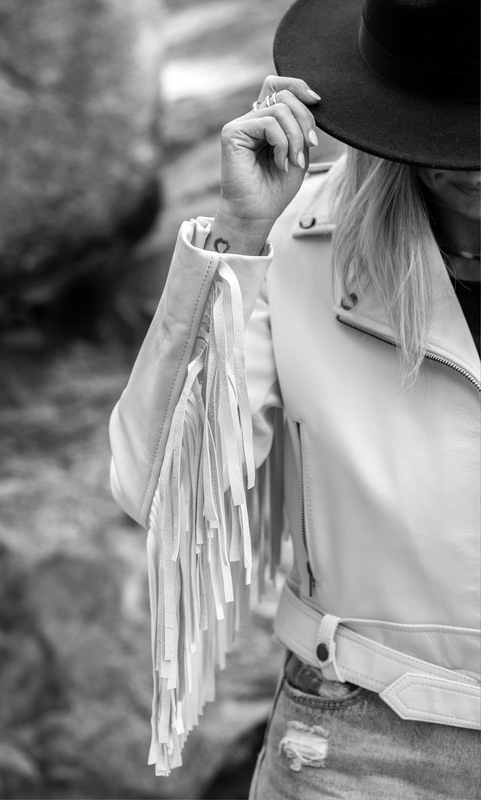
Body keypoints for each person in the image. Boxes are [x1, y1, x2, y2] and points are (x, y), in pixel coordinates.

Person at [109, 0, 480, 796]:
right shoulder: (291, 245)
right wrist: (239, 238)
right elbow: (160, 490)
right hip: (361, 746)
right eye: (443, 128)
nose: (470, 163)